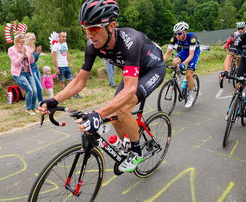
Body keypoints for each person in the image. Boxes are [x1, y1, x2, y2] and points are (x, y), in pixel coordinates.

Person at [39, 0, 166, 173]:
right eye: (86, 29)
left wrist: (98, 114)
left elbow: (129, 90)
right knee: (114, 113)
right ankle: (127, 145)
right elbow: (80, 80)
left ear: (111, 26)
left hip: (153, 69)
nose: (89, 35)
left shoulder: (131, 41)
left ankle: (136, 151)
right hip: (133, 74)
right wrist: (54, 99)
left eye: (94, 29)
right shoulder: (92, 46)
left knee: (122, 109)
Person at [163, 21, 201, 108]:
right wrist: (160, 62)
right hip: (184, 51)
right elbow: (168, 53)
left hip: (194, 52)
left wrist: (183, 64)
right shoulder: (174, 38)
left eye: (179, 34)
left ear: (185, 32)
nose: (177, 36)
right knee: (174, 62)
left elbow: (191, 55)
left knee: (188, 74)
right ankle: (180, 78)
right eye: (176, 34)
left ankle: (190, 96)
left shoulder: (192, 37)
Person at [8, 31, 39, 115]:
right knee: (29, 91)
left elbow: (32, 61)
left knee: (35, 91)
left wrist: (31, 53)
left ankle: (33, 107)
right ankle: (28, 109)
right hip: (18, 74)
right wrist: (22, 55)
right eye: (20, 38)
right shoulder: (11, 49)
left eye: (23, 38)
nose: (22, 40)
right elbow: (16, 63)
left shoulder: (27, 48)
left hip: (28, 72)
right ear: (17, 39)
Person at [51, 31, 82, 98]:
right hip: (60, 66)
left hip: (66, 65)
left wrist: (70, 63)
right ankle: (64, 96)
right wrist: (56, 68)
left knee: (71, 80)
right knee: (62, 81)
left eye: (65, 36)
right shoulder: (55, 45)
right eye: (63, 36)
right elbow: (54, 58)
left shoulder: (65, 44)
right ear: (59, 37)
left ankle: (74, 94)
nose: (64, 38)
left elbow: (67, 54)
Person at [26, 32, 43, 102]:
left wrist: (37, 54)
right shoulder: (25, 48)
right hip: (30, 70)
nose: (35, 41)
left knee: (38, 88)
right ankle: (39, 102)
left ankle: (40, 102)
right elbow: (28, 61)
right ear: (28, 40)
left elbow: (34, 60)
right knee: (37, 88)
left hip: (35, 69)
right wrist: (37, 53)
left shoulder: (32, 47)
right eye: (33, 39)